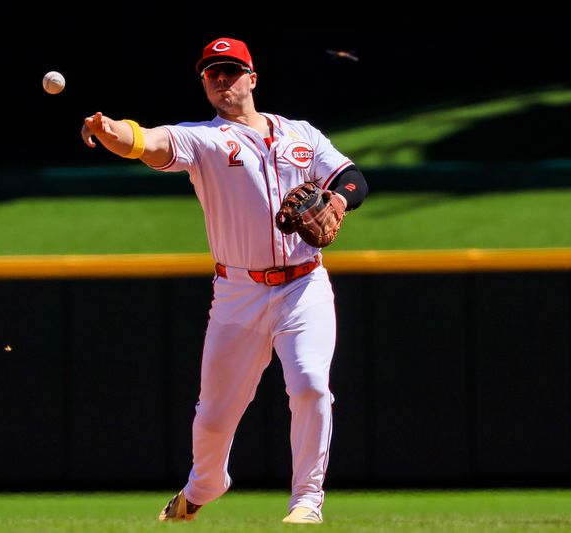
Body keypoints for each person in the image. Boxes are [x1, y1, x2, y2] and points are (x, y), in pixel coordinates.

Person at [80, 37, 368, 525]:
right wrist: (111, 131)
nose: (221, 79)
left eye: (230, 70)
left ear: (251, 78)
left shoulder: (302, 134)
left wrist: (337, 203)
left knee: (311, 385)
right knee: (214, 415)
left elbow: (353, 177)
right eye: (211, 72)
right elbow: (148, 142)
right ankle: (206, 484)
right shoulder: (204, 139)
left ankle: (306, 500)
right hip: (238, 293)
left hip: (304, 285)